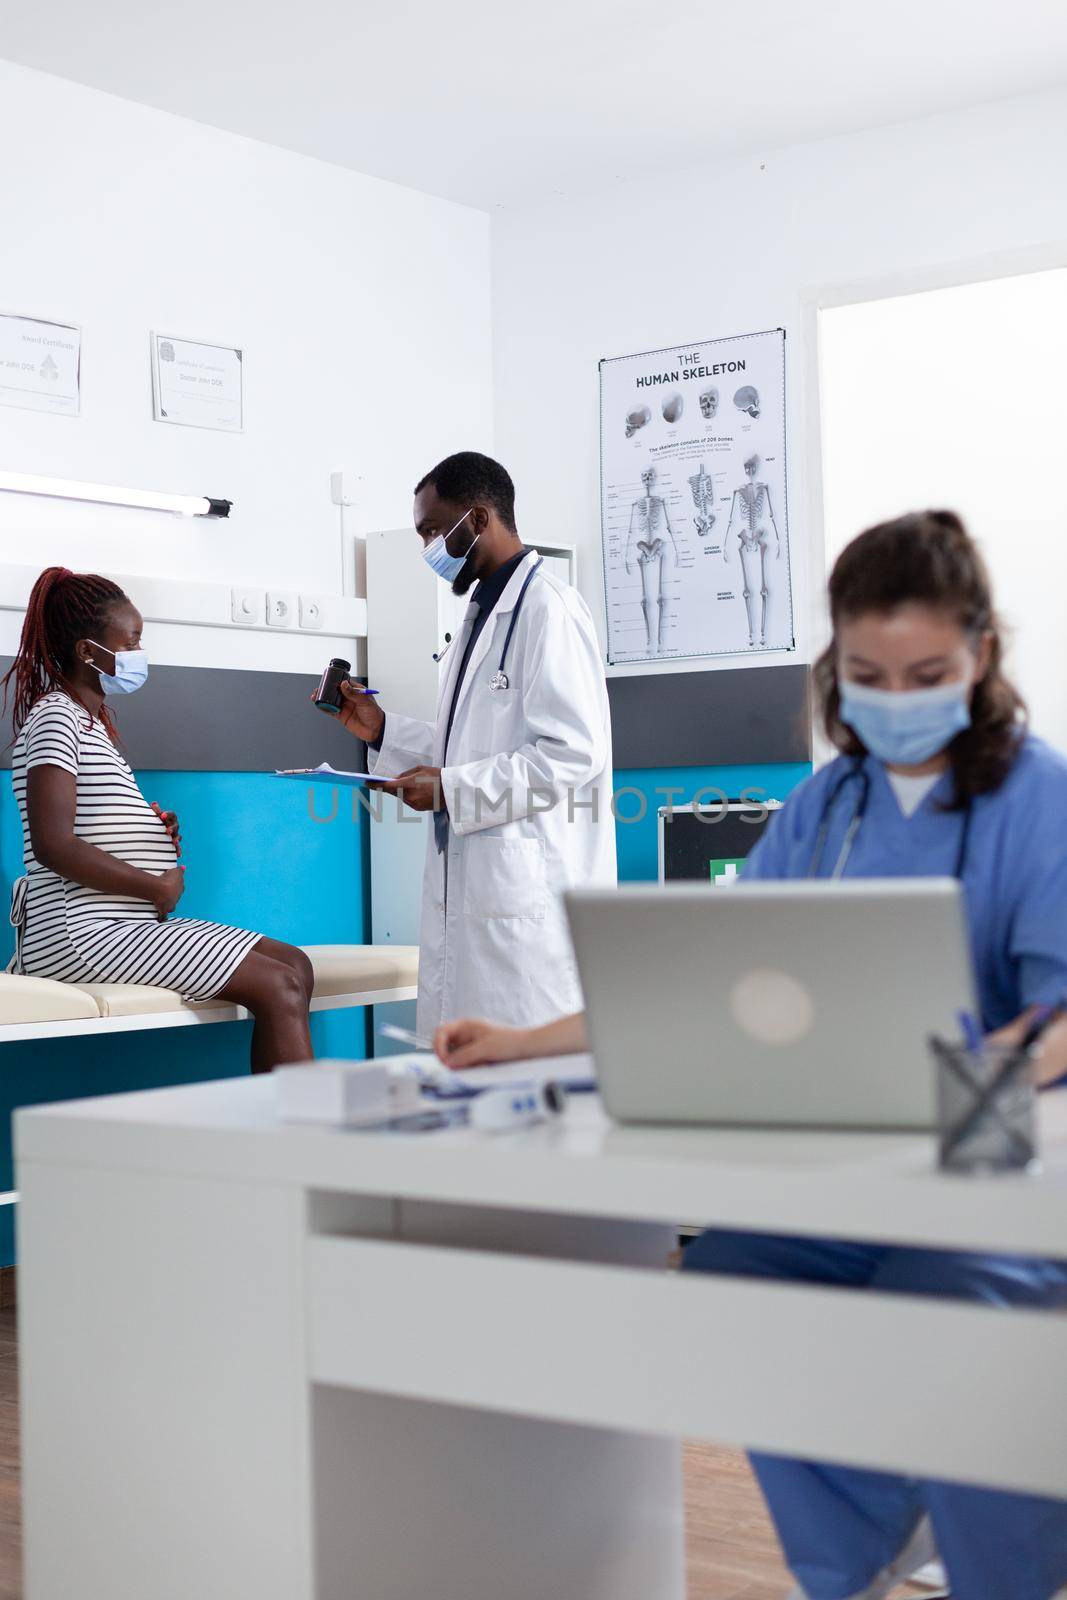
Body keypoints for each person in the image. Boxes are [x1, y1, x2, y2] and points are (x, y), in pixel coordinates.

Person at [433, 511, 1067, 1600]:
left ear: (980, 656)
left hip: (989, 1165)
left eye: (927, 672)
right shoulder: (829, 805)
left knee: (948, 1303)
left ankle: (1000, 1568)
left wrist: (1002, 1063)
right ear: (834, 666)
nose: (897, 696)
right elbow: (708, 980)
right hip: (849, 1164)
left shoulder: (1036, 795)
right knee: (727, 1278)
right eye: (868, 672)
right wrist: (518, 1039)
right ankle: (862, 1550)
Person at [328, 451, 615, 1034]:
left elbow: (574, 752)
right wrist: (382, 730)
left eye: (434, 530)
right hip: (478, 893)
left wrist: (453, 790)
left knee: (523, 1087)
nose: (429, 547)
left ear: (479, 518)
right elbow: (469, 750)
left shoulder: (548, 610)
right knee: (462, 1082)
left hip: (528, 905)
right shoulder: (479, 616)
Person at [4, 567, 315, 1074]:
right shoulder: (56, 717)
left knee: (295, 965)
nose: (138, 654)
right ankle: (299, 1147)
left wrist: (148, 830)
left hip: (122, 923)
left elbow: (88, 820)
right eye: (131, 641)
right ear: (88, 651)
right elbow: (53, 844)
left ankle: (283, 1130)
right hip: (79, 932)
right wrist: (155, 885)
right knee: (278, 985)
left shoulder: (89, 724)